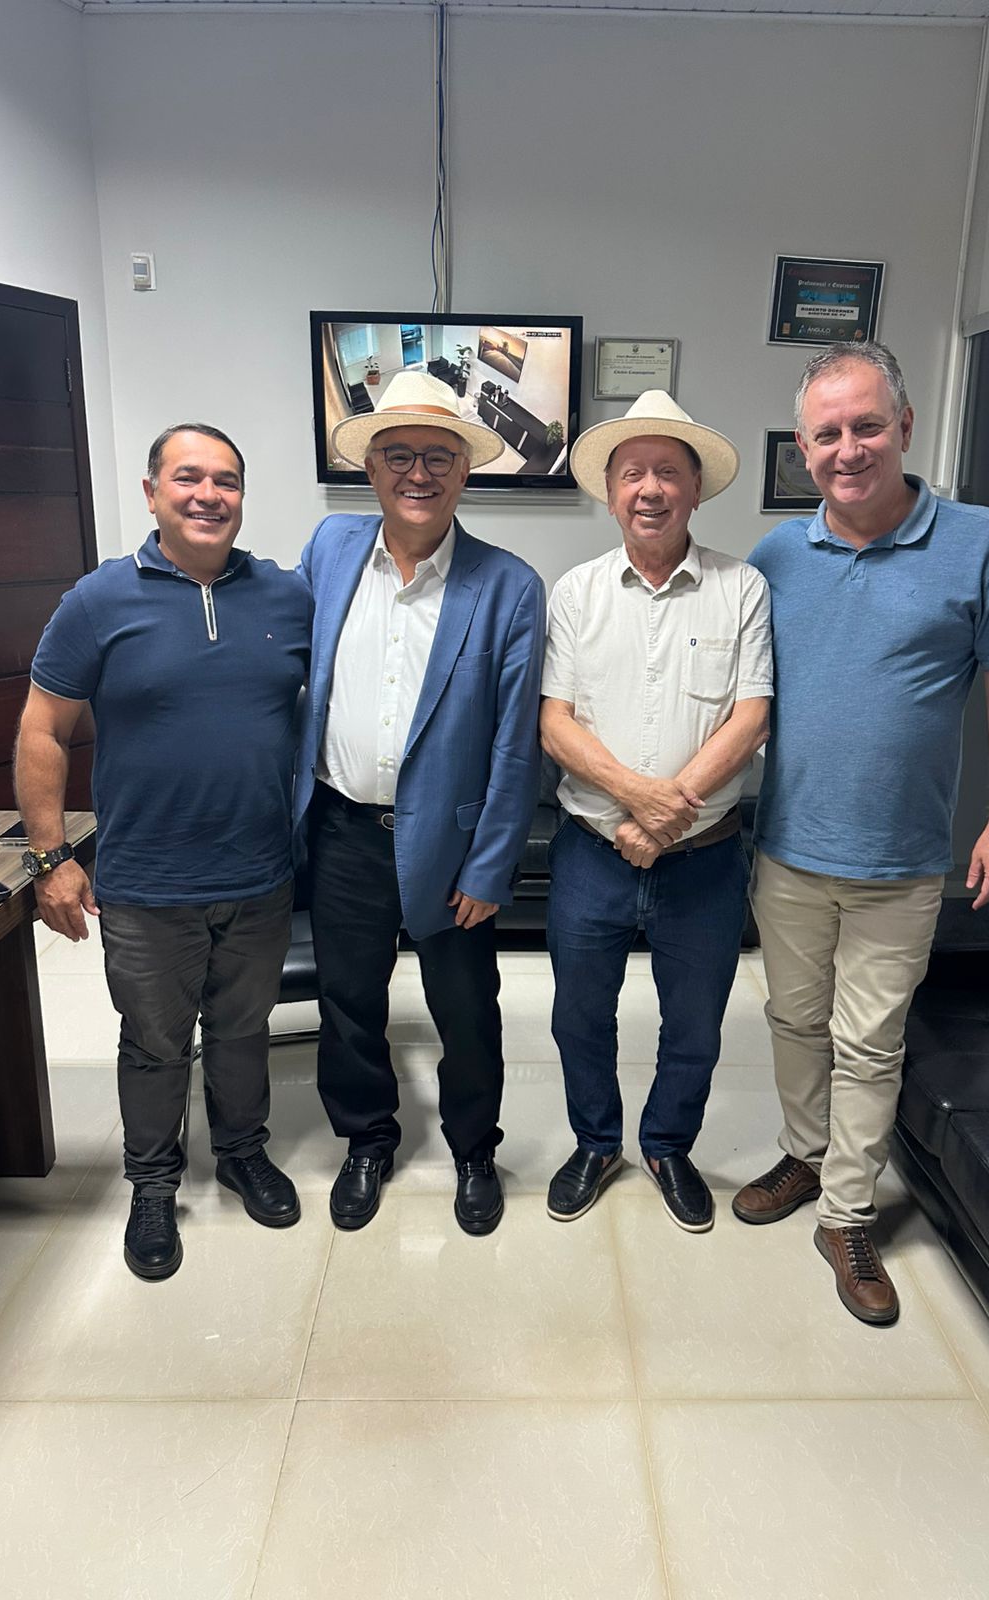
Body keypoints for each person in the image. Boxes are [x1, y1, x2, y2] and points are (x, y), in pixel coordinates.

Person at [734, 341, 989, 1325]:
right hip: (787, 848)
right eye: (827, 433)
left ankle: (847, 1213)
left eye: (867, 426)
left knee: (868, 1044)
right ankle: (804, 1151)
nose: (848, 449)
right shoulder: (776, 557)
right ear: (804, 448)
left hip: (903, 859)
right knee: (793, 1020)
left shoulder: (981, 541)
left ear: (905, 427)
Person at [14, 424, 312, 1282]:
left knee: (243, 1029)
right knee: (153, 1042)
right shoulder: (98, 600)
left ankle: (243, 1152)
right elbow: (42, 729)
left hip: (260, 873)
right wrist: (50, 859)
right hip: (147, 883)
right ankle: (152, 1184)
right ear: (152, 492)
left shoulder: (288, 597)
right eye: (188, 477)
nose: (208, 495)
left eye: (227, 480)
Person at [296, 371, 545, 1236]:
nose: (418, 473)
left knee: (466, 1013)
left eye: (439, 457)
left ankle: (474, 1150)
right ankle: (367, 1140)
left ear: (464, 472)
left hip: (452, 844)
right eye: (398, 455)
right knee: (349, 1003)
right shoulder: (331, 550)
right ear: (369, 468)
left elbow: (516, 743)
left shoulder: (507, 585)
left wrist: (491, 866)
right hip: (342, 830)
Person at [540, 391, 773, 1232]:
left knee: (697, 1025)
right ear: (610, 493)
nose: (650, 489)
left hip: (705, 859)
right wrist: (638, 801)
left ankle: (669, 1145)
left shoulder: (741, 587)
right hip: (591, 851)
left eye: (668, 473)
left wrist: (665, 817)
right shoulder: (576, 593)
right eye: (632, 473)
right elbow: (555, 720)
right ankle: (596, 1142)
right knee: (579, 1016)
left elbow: (751, 716)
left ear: (696, 489)